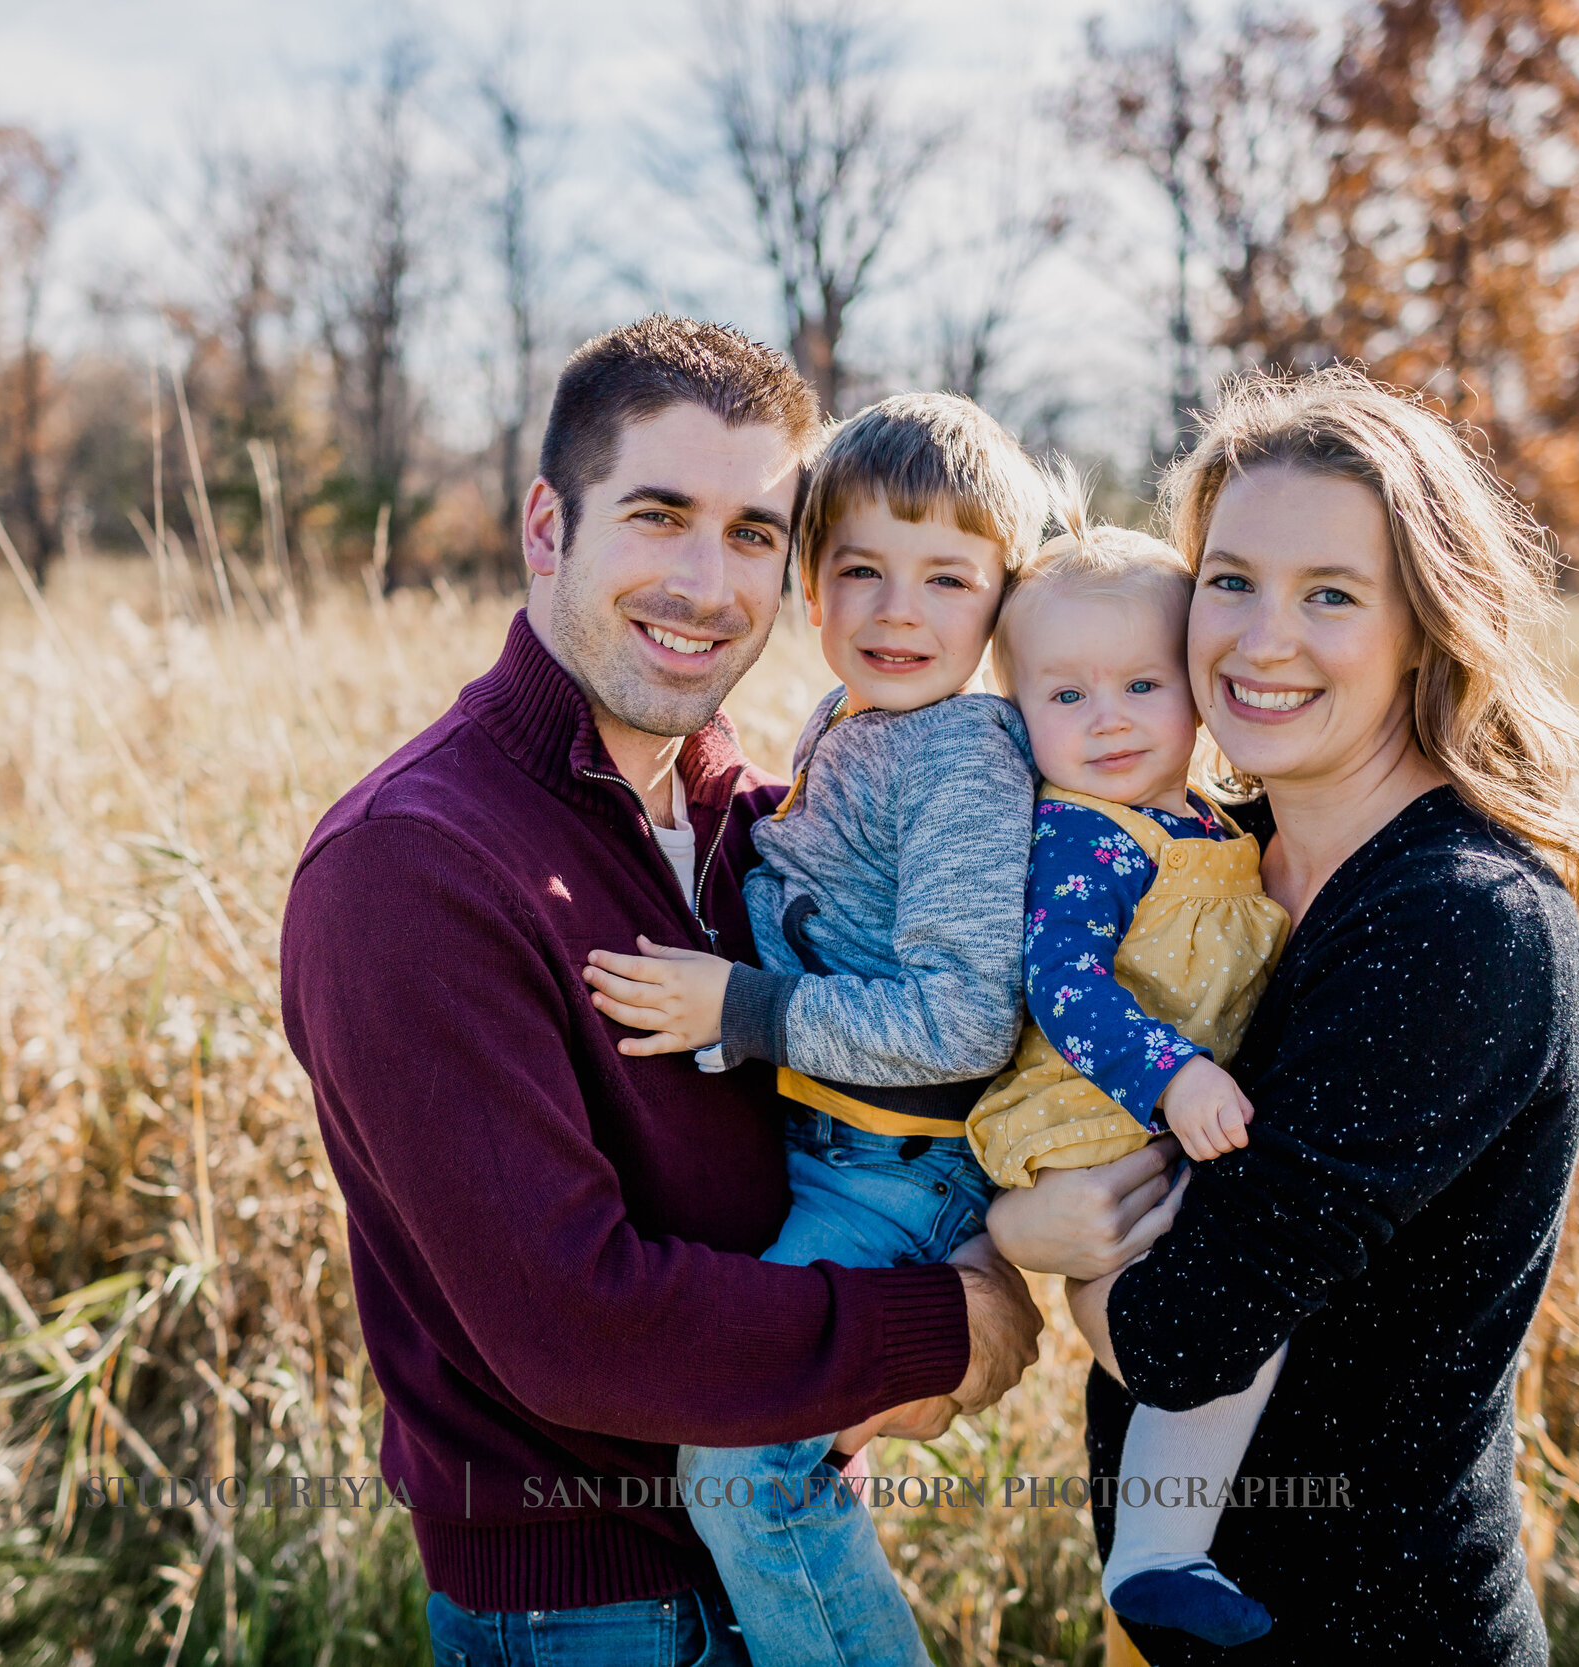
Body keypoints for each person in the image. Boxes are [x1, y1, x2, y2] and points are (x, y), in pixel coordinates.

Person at [278, 316, 1054, 1667]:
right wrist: (946, 1326)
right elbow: (575, 1322)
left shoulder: (756, 815)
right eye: (660, 514)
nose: (708, 581)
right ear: (546, 526)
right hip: (592, 1611)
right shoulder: (415, 865)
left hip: (784, 1543)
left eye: (755, 531)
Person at [983, 365, 1579, 1662]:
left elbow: (1183, 1334)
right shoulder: (1205, 853)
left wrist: (1031, 1236)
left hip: (1374, 1630)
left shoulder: (1457, 923)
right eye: (1231, 579)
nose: (1260, 639)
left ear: (1427, 622)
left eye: (1329, 593)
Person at [576, 391, 1053, 1666]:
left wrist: (743, 1009)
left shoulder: (960, 757)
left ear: (1003, 598)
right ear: (810, 588)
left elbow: (959, 1017)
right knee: (772, 1455)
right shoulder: (854, 721)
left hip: (893, 1167)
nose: (900, 611)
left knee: (741, 1466)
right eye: (861, 570)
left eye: (948, 576)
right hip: (834, 1152)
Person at [962, 515, 1292, 1647]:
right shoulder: (1084, 837)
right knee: (1170, 1307)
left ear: (1198, 689)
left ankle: (1159, 1552)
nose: (1106, 718)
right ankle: (1158, 1549)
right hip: (1092, 1106)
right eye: (1064, 695)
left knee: (1222, 1311)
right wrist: (1175, 1072)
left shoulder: (1202, 818)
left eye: (1142, 683)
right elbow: (1063, 986)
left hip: (1157, 1109)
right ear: (1018, 706)